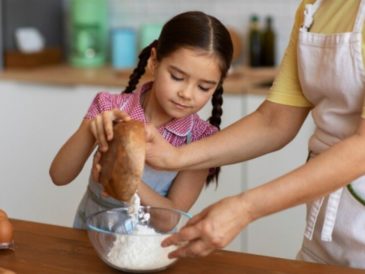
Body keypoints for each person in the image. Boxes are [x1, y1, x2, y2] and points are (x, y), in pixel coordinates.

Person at [144, 0, 365, 269]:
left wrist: (245, 208)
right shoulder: (313, 7)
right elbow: (274, 122)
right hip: (324, 234)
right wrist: (174, 157)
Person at [49, 11, 233, 229]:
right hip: (89, 238)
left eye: (204, 87)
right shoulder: (109, 107)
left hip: (145, 253)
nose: (187, 93)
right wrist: (92, 128)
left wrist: (125, 177)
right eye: (176, 77)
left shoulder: (202, 140)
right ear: (154, 62)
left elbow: (168, 220)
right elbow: (59, 176)